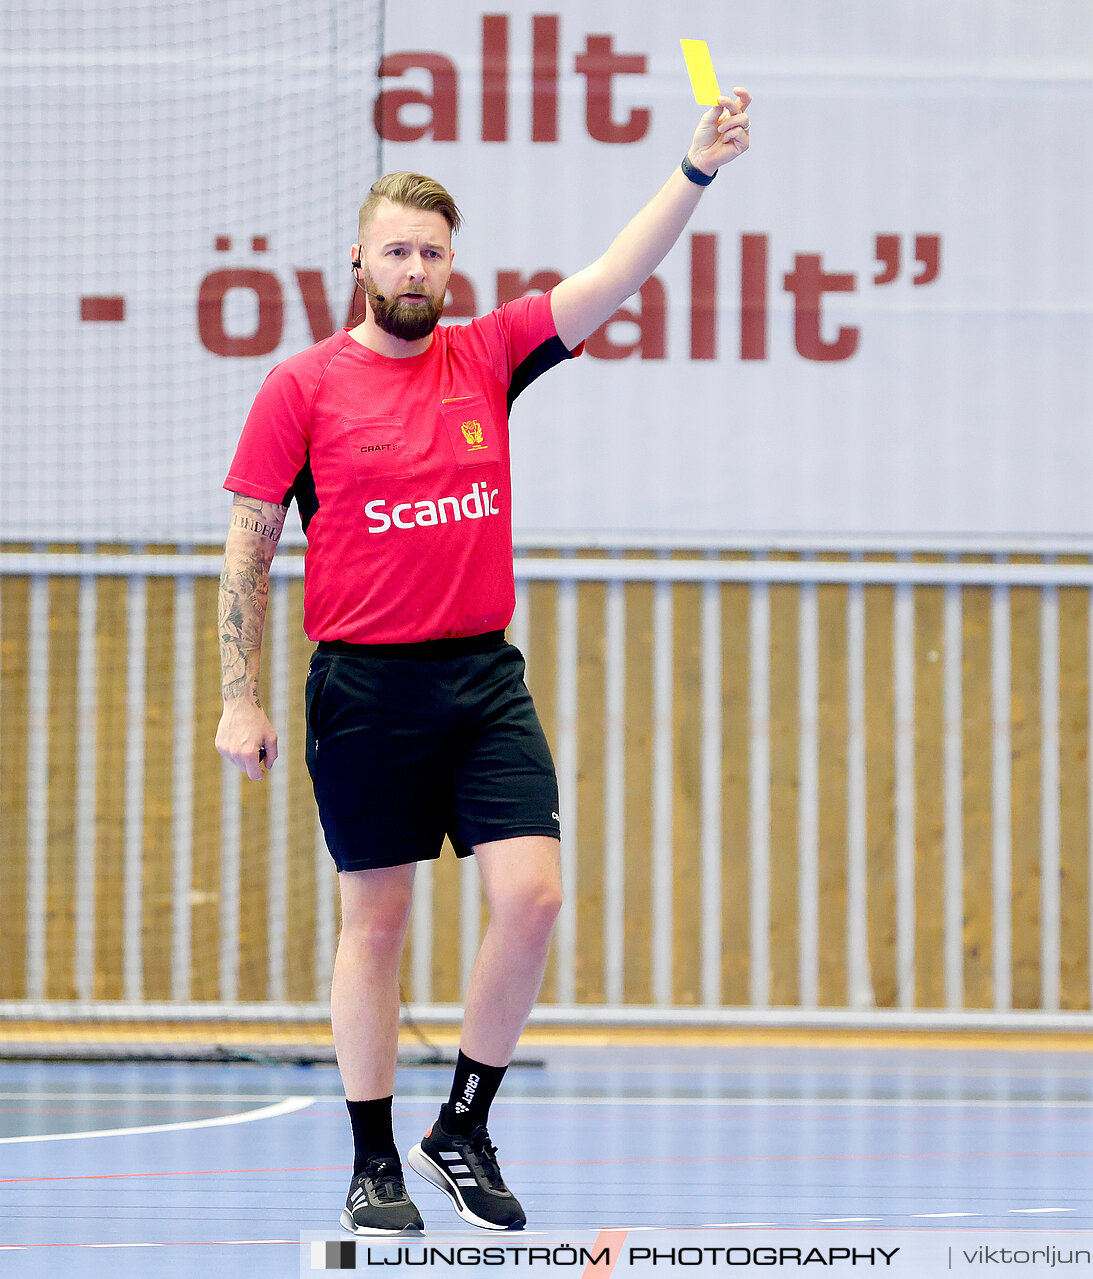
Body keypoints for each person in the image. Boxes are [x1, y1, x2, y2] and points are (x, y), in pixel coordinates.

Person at [213, 91, 753, 1235]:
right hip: (362, 686)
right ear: (360, 258)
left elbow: (615, 274)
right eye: (397, 248)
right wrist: (240, 697)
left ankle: (461, 1124)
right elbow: (251, 546)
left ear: (453, 265)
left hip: (480, 681)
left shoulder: (486, 353)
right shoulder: (301, 387)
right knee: (378, 922)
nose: (416, 265)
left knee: (535, 894)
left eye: (434, 250)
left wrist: (696, 172)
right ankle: (372, 1163)